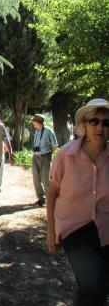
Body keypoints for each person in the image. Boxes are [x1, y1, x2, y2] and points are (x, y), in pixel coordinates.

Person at [47, 98, 109, 305]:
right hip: (75, 230)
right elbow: (52, 193)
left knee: (99, 287)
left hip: (106, 230)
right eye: (95, 121)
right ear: (84, 125)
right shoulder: (66, 154)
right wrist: (51, 232)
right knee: (93, 285)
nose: (100, 127)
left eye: (106, 123)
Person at [31, 114, 58, 206]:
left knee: (46, 180)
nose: (32, 122)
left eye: (33, 121)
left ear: (38, 122)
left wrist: (49, 156)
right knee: (36, 179)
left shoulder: (49, 131)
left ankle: (51, 199)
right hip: (35, 157)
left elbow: (55, 146)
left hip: (45, 157)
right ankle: (41, 199)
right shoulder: (37, 131)